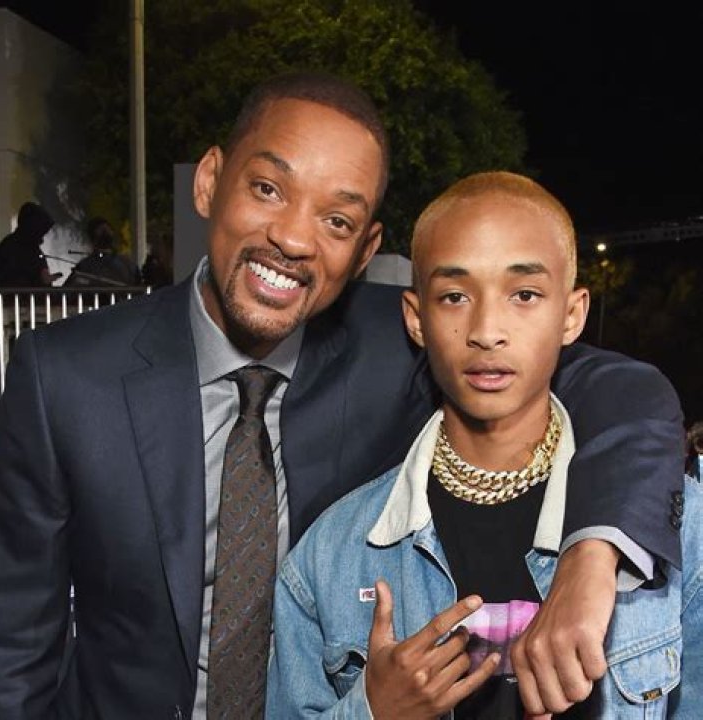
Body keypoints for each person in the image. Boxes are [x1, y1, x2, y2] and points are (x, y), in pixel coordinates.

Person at [0, 73, 684, 719]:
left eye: (337, 221)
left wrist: (593, 556)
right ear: (209, 182)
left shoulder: (406, 340)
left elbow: (618, 389)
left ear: (365, 248)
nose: (292, 237)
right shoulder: (65, 376)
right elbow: (14, 649)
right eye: (268, 189)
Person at [267, 172, 701, 718]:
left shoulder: (683, 534)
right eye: (454, 296)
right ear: (416, 319)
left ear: (571, 315)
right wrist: (372, 711)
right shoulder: (331, 555)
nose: (487, 330)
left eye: (524, 295)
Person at [0, 201, 62, 287]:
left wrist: (45, 277)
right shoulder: (11, 247)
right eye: (40, 233)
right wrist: (41, 280)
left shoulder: (33, 248)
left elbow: (41, 270)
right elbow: (11, 278)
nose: (42, 238)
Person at [65, 217, 141, 287]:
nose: (105, 230)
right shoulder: (84, 266)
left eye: (106, 229)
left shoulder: (127, 264)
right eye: (101, 229)